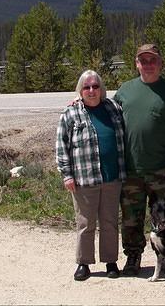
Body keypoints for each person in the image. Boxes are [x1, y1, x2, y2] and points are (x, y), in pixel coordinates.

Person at [114, 44, 165, 276]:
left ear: (160, 63)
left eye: (152, 60)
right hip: (130, 169)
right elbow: (105, 112)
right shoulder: (125, 91)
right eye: (143, 60)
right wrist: (79, 102)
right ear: (136, 63)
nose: (148, 64)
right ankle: (133, 257)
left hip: (161, 170)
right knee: (131, 218)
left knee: (164, 217)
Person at [55, 70, 127, 281]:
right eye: (86, 87)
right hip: (84, 179)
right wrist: (67, 175)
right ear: (80, 91)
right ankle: (83, 263)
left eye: (95, 86)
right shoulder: (70, 113)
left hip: (112, 177)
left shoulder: (113, 108)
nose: (91, 90)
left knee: (110, 222)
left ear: (101, 89)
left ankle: (111, 261)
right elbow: (61, 147)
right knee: (85, 223)